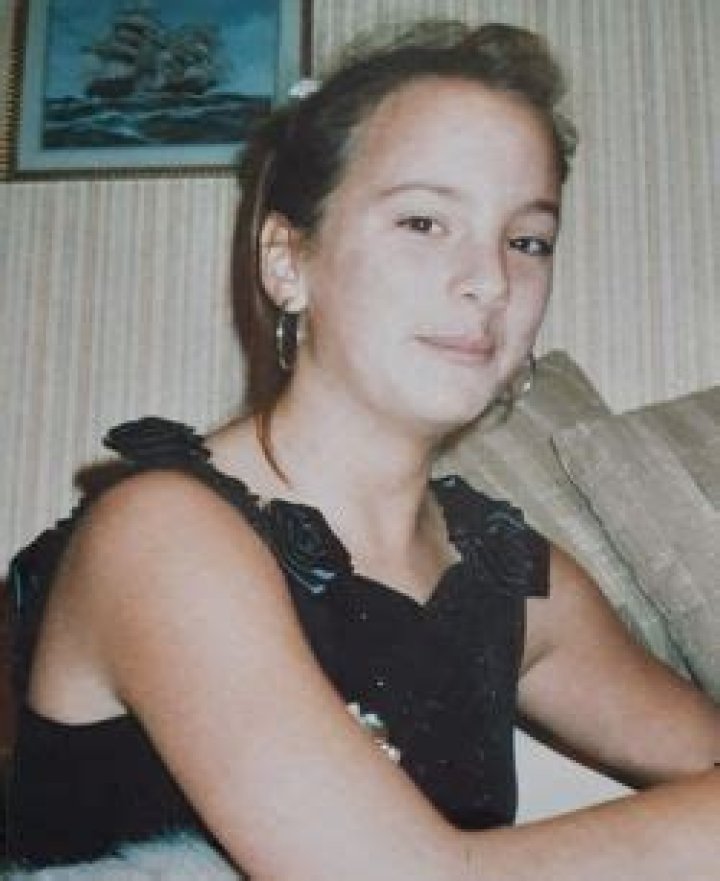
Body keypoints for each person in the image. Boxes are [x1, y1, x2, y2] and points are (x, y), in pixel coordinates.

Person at [5, 19, 719, 879]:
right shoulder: (159, 534)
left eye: (527, 240)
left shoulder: (507, 573)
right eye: (424, 221)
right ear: (287, 262)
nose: (491, 280)